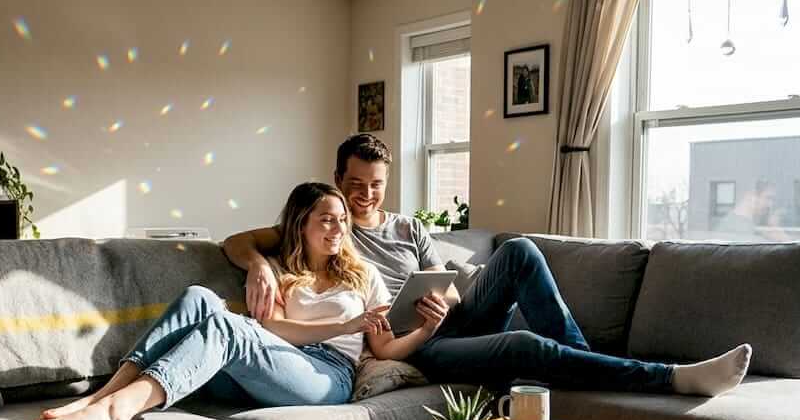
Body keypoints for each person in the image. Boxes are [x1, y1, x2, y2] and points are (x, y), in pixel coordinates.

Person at [223, 134, 752, 398]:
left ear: (387, 182)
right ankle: (669, 379)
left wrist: (443, 300)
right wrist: (258, 266)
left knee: (519, 250)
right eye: (355, 184)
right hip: (418, 345)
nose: (364, 195)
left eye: (375, 185)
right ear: (339, 179)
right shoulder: (328, 227)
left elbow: (453, 288)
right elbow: (235, 241)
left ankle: (588, 366)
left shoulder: (409, 227)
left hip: (449, 320)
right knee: (523, 345)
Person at [36, 182, 442, 420]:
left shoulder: (363, 274)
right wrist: (342, 321)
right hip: (275, 359)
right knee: (198, 297)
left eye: (342, 221)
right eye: (326, 220)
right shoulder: (281, 270)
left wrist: (425, 330)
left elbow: (384, 348)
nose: (338, 230)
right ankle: (102, 396)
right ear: (301, 225)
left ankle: (117, 410)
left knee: (228, 327)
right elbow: (276, 330)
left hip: (328, 377)